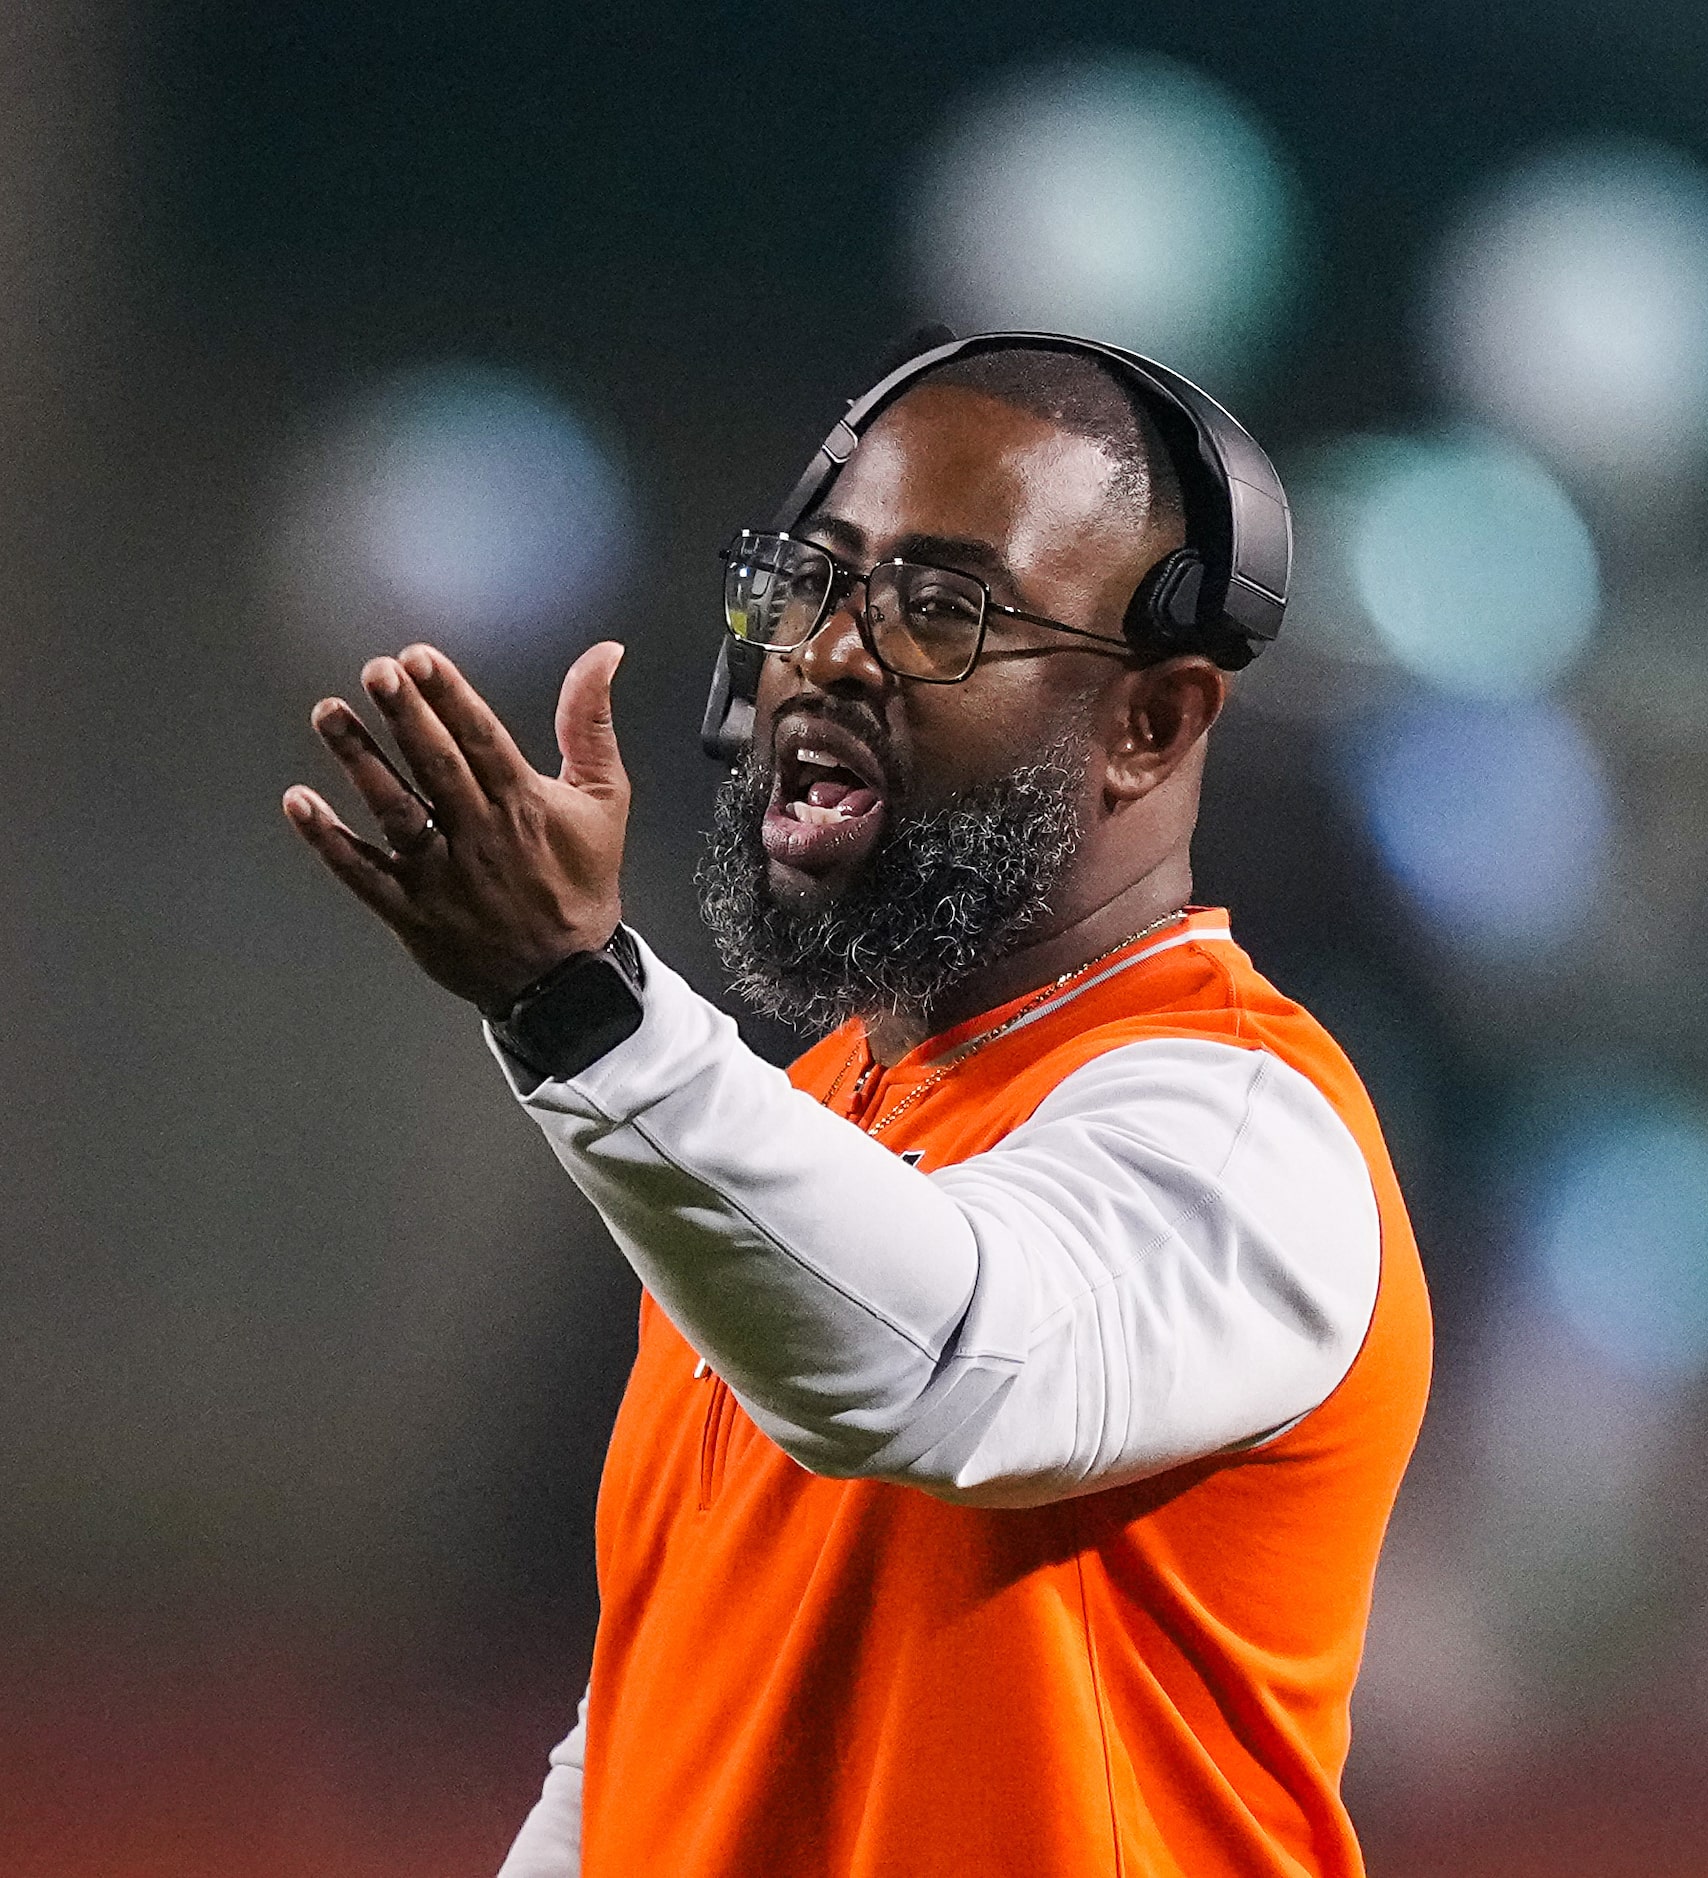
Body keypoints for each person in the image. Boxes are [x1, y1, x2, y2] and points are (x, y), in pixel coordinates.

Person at [278, 335, 1432, 1877]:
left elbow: (937, 1370)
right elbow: (661, 1723)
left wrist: (577, 1001)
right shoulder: (806, 1129)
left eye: (940, 609)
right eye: (814, 583)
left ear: (1150, 724)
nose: (826, 653)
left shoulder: (1246, 1122)